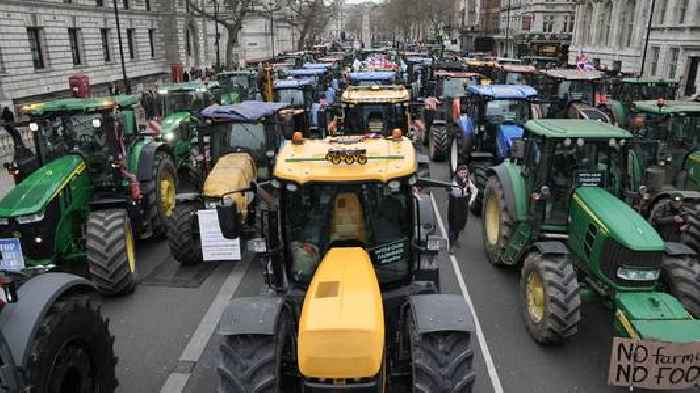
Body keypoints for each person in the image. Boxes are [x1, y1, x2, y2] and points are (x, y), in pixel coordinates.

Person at [449, 165, 477, 253]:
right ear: (458, 173)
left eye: (465, 173)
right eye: (462, 173)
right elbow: (458, 193)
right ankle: (451, 246)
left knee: (460, 224)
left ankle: (456, 239)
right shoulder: (454, 182)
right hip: (454, 205)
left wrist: (471, 201)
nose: (464, 174)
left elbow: (475, 190)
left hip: (463, 205)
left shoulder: (468, 181)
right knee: (453, 225)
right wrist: (466, 187)